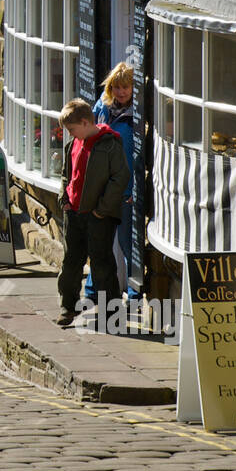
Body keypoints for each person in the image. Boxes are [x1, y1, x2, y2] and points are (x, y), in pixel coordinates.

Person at [56, 98, 130, 327]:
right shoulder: (73, 145)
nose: (69, 134)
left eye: (72, 129)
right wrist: (64, 199)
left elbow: (120, 177)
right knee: (70, 263)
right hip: (74, 213)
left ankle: (112, 314)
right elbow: (66, 174)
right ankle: (68, 307)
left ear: (86, 122)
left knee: (102, 264)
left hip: (99, 216)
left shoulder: (110, 145)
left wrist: (102, 209)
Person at [85, 62, 138, 301]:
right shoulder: (102, 107)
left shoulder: (138, 114)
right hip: (103, 187)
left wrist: (135, 187)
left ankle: (135, 293)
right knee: (100, 242)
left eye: (125, 87)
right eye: (116, 87)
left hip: (126, 188)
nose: (121, 92)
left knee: (128, 243)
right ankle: (93, 291)